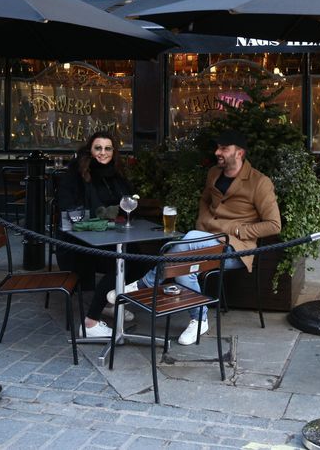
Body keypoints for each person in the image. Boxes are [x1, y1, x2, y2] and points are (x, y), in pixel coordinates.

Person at [108, 129, 281, 345]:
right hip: (204, 241)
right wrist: (203, 223)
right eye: (218, 147)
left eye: (224, 148)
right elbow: (204, 200)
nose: (218, 152)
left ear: (239, 153)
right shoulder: (214, 173)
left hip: (236, 249)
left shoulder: (259, 182)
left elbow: (274, 225)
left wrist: (236, 230)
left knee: (186, 245)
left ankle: (143, 285)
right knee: (185, 262)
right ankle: (199, 319)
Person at [54, 131, 148, 338]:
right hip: (78, 242)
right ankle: (90, 323)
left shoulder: (115, 174)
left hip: (111, 237)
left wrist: (125, 209)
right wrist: (103, 217)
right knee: (122, 261)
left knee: (142, 260)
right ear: (90, 150)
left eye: (107, 148)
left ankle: (107, 299)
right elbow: (70, 209)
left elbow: (128, 203)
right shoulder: (76, 174)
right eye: (98, 148)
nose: (103, 153)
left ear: (113, 152)